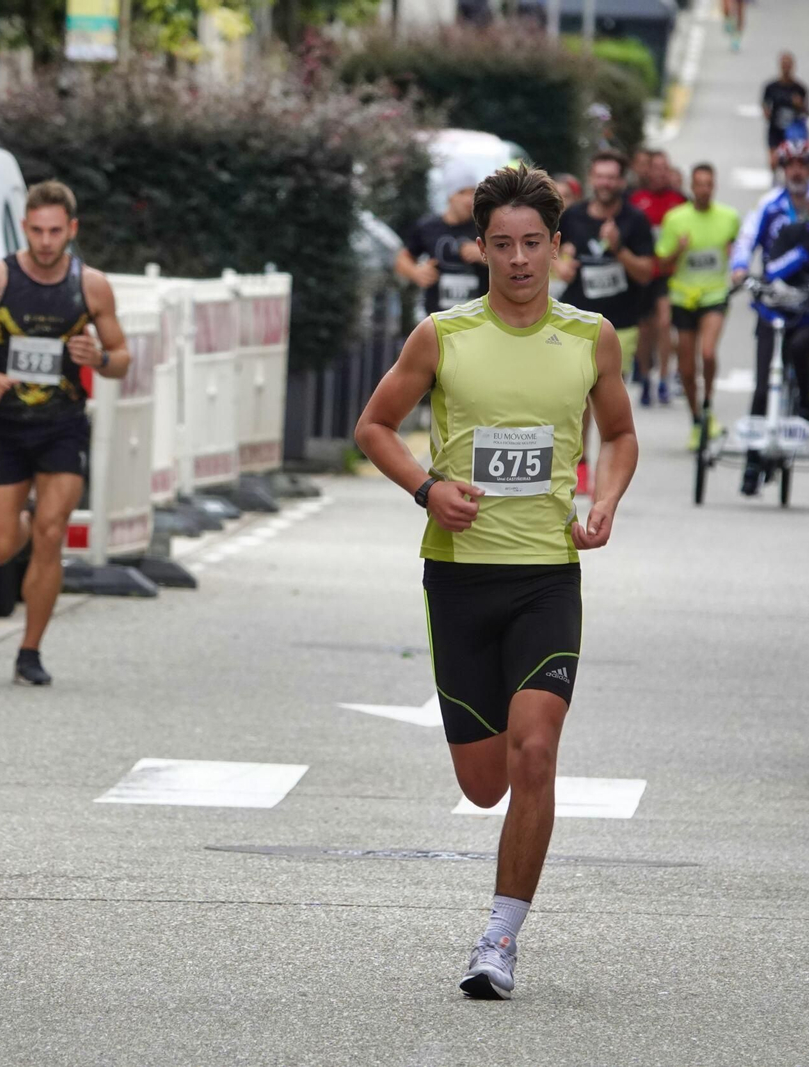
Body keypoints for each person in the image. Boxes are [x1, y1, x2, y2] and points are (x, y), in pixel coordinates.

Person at [354, 163, 638, 1001]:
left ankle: (499, 939)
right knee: (484, 784)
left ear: (557, 247)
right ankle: (504, 835)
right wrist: (427, 488)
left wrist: (604, 500)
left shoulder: (590, 337)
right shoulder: (441, 336)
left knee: (537, 750)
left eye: (533, 244)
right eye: (503, 245)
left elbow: (619, 435)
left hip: (547, 577)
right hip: (459, 578)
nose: (519, 260)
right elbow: (375, 426)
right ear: (480, 248)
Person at [0, 180, 130, 687]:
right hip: (6, 428)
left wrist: (100, 357)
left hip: (62, 427)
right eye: (37, 231)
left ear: (71, 230)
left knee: (53, 533)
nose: (46, 242)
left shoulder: (90, 286)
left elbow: (122, 358)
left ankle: (30, 651)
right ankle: (26, 521)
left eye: (55, 232)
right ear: (24, 228)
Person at [740, 172, 809, 496]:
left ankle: (807, 400)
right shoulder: (791, 233)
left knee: (802, 348)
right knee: (763, 387)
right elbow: (773, 269)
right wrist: (804, 252)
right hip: (773, 315)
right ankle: (751, 463)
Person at [555, 150, 654, 494]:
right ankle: (581, 464)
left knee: (607, 399)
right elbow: (551, 252)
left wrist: (619, 249)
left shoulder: (635, 221)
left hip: (620, 324)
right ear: (591, 178)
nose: (605, 183)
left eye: (612, 177)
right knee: (579, 394)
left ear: (622, 181)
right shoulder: (572, 217)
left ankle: (605, 466)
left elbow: (646, 272)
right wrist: (560, 266)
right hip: (577, 320)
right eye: (600, 176)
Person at [732, 139, 809, 394]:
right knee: (766, 355)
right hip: (775, 288)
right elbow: (747, 238)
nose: (797, 172)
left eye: (803, 165)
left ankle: (808, 394)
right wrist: (740, 267)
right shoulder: (769, 204)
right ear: (783, 168)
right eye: (791, 165)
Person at [656, 164, 740, 450]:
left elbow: (738, 248)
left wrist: (735, 259)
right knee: (687, 369)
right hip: (683, 298)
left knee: (708, 352)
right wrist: (679, 250)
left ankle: (708, 405)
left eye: (708, 184)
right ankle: (695, 419)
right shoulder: (675, 219)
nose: (704, 190)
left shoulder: (729, 218)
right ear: (691, 187)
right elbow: (662, 263)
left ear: (714, 187)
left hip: (714, 295)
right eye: (699, 184)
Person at [628, 150, 687, 407]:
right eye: (656, 167)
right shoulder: (635, 199)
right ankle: (645, 375)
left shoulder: (680, 200)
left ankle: (664, 377)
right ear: (648, 170)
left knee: (664, 322)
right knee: (644, 329)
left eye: (665, 168)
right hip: (642, 274)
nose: (660, 173)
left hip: (668, 274)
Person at [395, 162, 488, 318]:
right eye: (461, 192)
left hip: (479, 317)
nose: (468, 199)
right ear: (450, 196)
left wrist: (485, 256)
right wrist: (416, 272)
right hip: (438, 317)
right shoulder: (429, 227)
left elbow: (509, 259)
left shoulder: (486, 226)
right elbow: (401, 259)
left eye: (473, 192)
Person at [762, 54, 809, 177]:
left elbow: (807, 112)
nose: (786, 68)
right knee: (774, 161)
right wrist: (767, 113)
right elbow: (765, 105)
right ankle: (775, 180)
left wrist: (800, 105)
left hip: (793, 132)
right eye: (784, 65)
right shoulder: (771, 87)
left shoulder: (799, 88)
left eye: (788, 65)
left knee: (794, 161)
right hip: (775, 129)